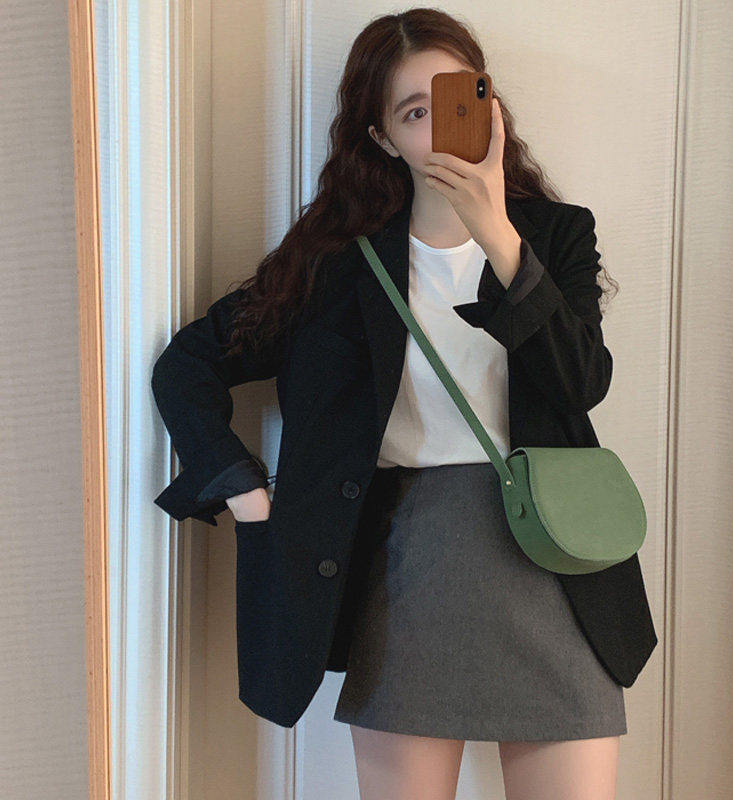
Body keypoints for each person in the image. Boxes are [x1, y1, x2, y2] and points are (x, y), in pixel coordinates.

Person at [151, 8, 657, 800]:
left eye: (459, 96)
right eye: (414, 112)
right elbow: (187, 364)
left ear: (490, 102)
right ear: (382, 137)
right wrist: (244, 490)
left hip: (557, 568)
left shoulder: (556, 235)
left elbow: (581, 382)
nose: (440, 125)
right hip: (404, 568)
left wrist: (499, 238)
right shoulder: (334, 264)